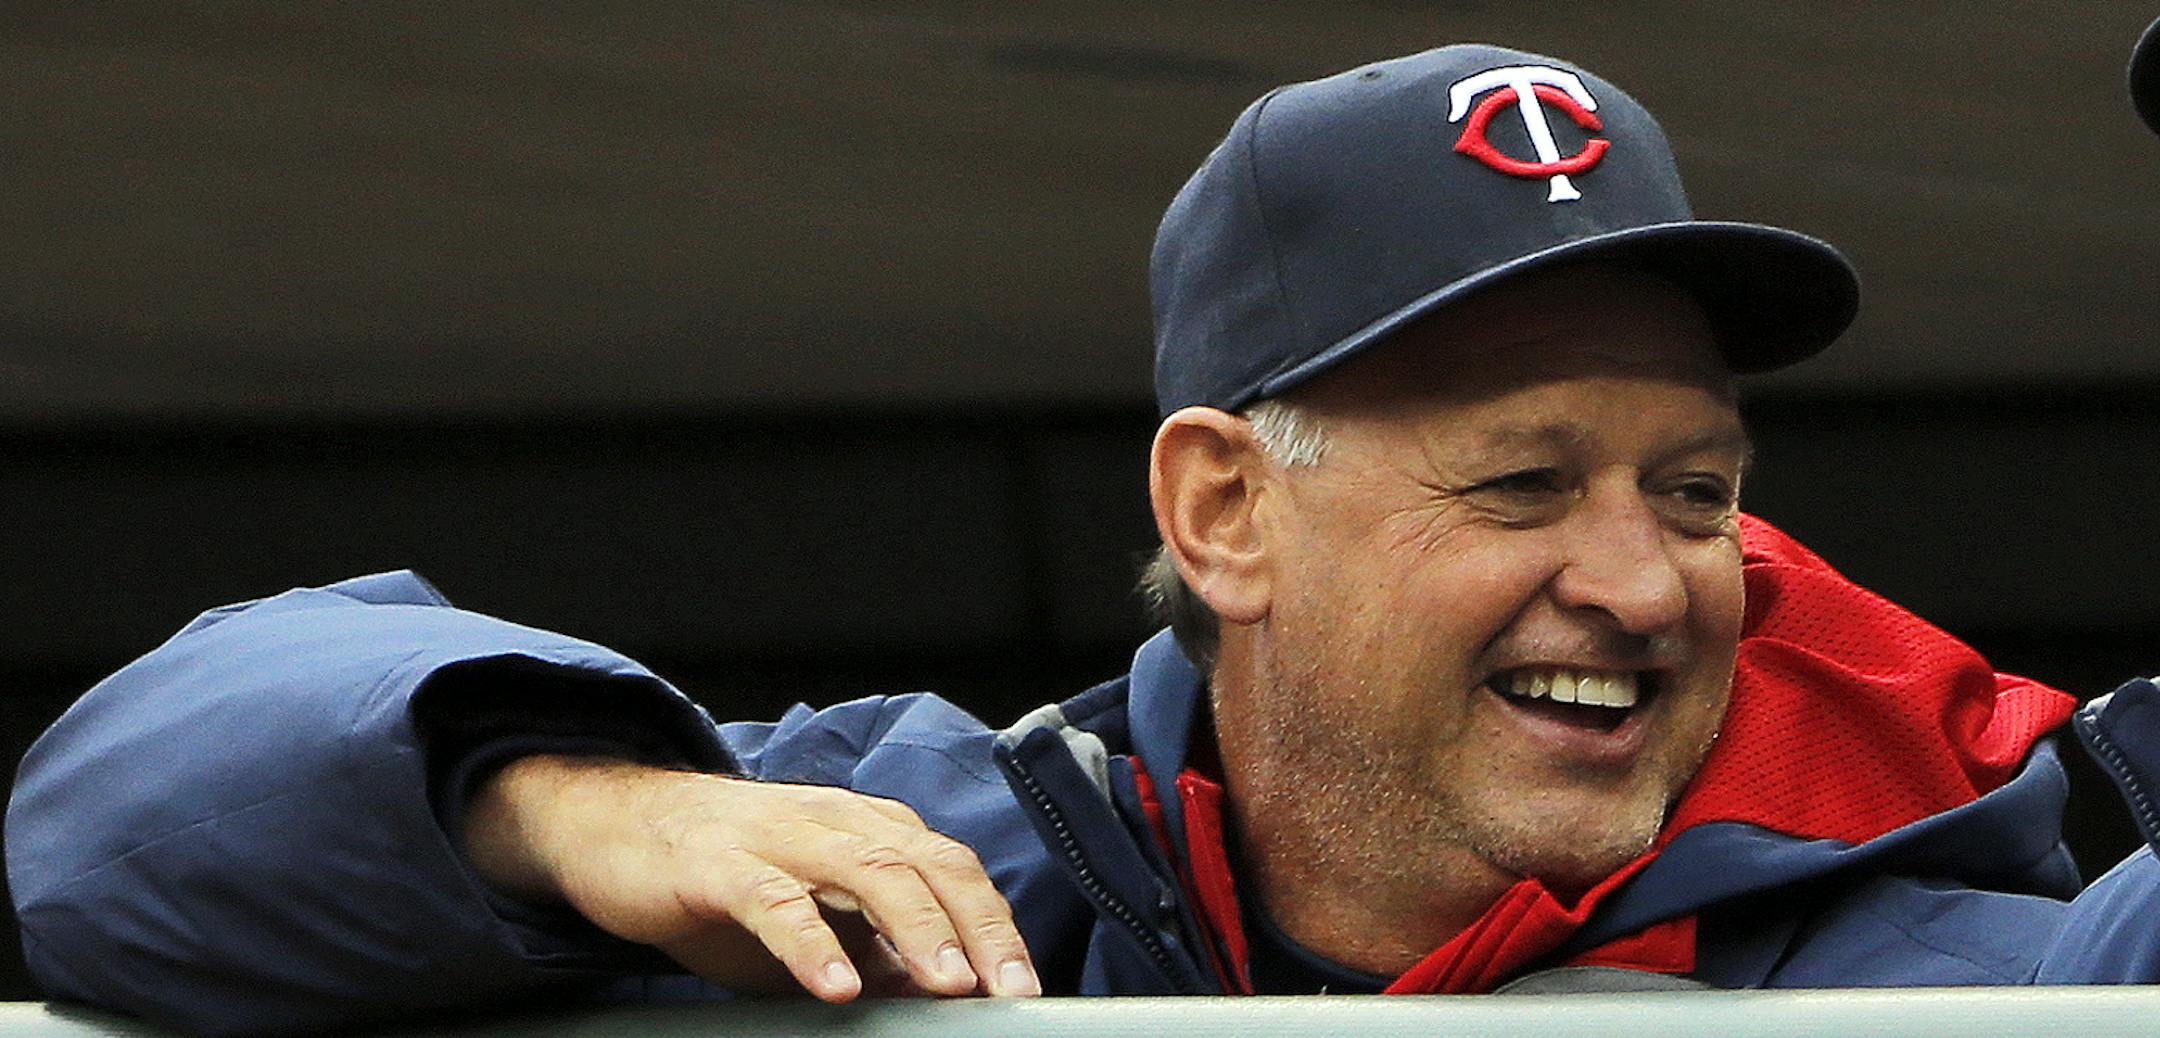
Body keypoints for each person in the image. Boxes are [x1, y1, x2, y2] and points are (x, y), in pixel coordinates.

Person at [12, 40, 2160, 1038]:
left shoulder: (2007, 957)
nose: (1649, 576)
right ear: (1223, 511)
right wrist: (558, 802)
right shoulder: (941, 869)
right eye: (1523, 484)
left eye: (1693, 490)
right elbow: (119, 825)